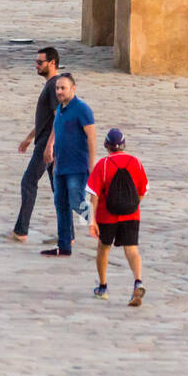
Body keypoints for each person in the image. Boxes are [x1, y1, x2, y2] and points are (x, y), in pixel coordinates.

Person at [6, 46, 63, 242]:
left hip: (47, 146)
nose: (36, 65)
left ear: (52, 63)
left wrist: (49, 146)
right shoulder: (52, 84)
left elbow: (58, 119)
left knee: (28, 182)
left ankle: (21, 231)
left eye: (40, 62)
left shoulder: (54, 86)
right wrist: (30, 137)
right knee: (58, 188)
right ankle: (67, 233)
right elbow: (45, 119)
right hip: (46, 143)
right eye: (36, 62)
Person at [86, 128, 149, 306]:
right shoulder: (135, 162)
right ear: (124, 145)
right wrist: (132, 204)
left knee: (104, 248)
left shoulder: (103, 164)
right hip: (131, 214)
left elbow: (93, 194)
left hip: (107, 215)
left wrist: (92, 220)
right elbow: (143, 190)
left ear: (106, 145)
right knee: (132, 250)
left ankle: (103, 287)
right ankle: (138, 281)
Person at [40, 73, 95, 258]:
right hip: (61, 166)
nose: (59, 91)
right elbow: (57, 129)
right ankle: (64, 246)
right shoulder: (60, 110)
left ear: (73, 89)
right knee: (60, 204)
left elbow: (92, 137)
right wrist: (50, 148)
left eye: (63, 88)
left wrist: (92, 164)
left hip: (77, 167)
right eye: (57, 88)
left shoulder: (82, 109)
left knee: (76, 201)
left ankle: (99, 221)